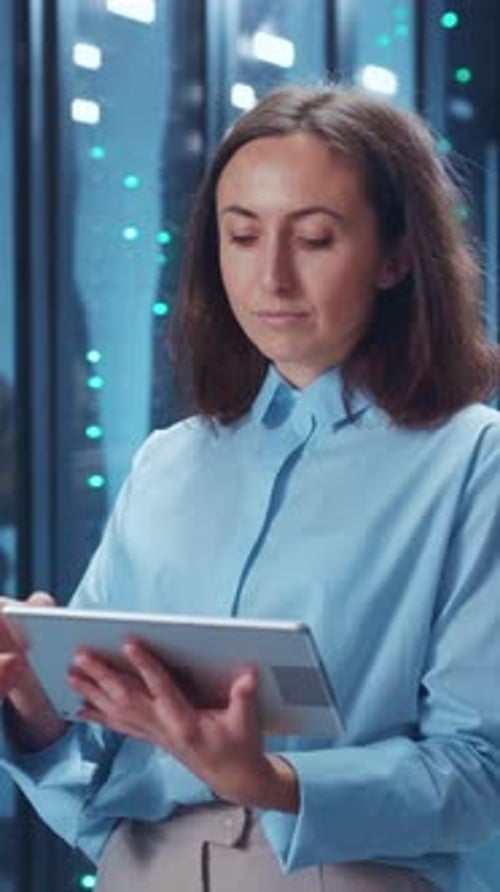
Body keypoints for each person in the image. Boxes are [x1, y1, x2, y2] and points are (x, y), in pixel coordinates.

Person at [1, 83, 500, 892]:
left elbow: (481, 776)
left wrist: (270, 782)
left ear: (398, 256)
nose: (270, 277)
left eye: (314, 238)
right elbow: (94, 770)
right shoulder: (169, 464)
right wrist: (32, 705)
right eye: (241, 235)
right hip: (144, 870)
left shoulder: (474, 465)